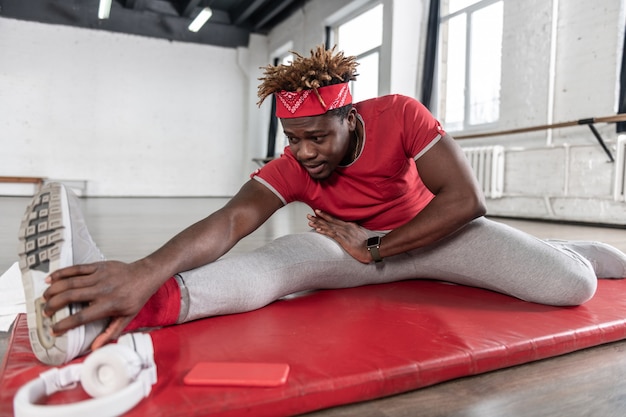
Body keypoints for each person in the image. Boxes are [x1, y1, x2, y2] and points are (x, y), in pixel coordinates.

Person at [19, 45, 626, 365]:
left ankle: (583, 250)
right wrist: (143, 269)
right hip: (346, 246)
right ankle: (112, 313)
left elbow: (466, 200)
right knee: (274, 267)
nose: (304, 154)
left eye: (317, 138)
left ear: (350, 116)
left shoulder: (400, 115)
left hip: (436, 236)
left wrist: (379, 246)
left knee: (571, 282)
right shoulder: (293, 164)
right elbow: (231, 220)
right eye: (292, 141)